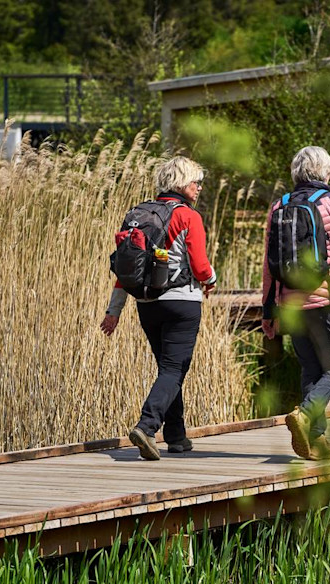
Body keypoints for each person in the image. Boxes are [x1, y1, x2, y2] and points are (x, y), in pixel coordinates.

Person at [261, 146, 330, 461]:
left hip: (290, 303)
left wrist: (268, 310)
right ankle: (305, 414)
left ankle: (316, 440)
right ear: (326, 173)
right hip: (325, 300)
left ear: (296, 173)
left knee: (310, 367)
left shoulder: (278, 206)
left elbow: (268, 265)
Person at [100, 156, 217, 461]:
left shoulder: (137, 215)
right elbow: (201, 266)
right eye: (196, 182)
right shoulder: (188, 217)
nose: (199, 188)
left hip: (147, 305)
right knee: (174, 368)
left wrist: (114, 311)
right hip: (182, 303)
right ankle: (147, 426)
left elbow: (126, 270)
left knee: (168, 368)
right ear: (181, 183)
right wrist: (212, 278)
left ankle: (177, 437)